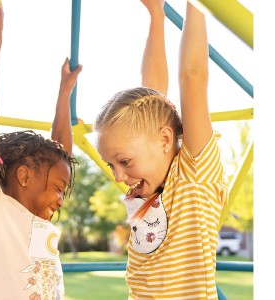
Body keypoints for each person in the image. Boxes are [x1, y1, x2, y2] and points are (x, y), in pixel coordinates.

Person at [94, 0, 228, 299]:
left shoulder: (193, 173)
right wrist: (156, 15)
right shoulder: (147, 188)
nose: (119, 177)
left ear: (166, 140)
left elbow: (192, 78)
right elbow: (151, 94)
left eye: (124, 161)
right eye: (111, 165)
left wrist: (196, 5)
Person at [0, 3, 82, 299]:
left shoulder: (39, 221)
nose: (60, 201)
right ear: (24, 176)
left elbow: (60, 155)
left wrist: (64, 94)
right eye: (57, 189)